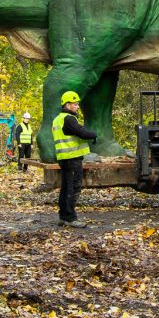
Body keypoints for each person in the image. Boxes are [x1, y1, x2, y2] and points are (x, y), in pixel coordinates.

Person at [52, 91, 96, 227]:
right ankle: (71, 218)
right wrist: (94, 134)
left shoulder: (58, 119)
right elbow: (81, 132)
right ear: (67, 105)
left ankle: (63, 216)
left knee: (65, 187)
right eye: (75, 104)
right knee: (73, 187)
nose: (78, 106)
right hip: (72, 159)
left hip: (64, 158)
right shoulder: (69, 119)